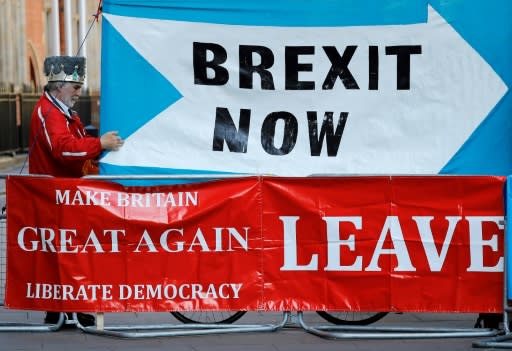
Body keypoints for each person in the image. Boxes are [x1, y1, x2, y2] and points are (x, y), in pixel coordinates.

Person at [29, 55, 124, 327]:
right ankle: (67, 310)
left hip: (67, 195)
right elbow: (63, 149)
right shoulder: (49, 112)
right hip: (55, 196)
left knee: (69, 252)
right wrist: (100, 144)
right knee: (68, 253)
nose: (79, 92)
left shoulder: (64, 113)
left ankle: (64, 310)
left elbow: (76, 145)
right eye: (76, 87)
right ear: (59, 86)